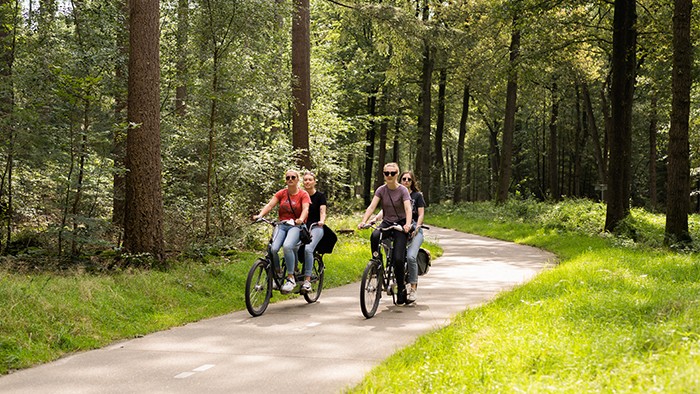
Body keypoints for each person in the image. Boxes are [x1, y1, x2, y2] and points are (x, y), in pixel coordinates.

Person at [358, 162, 413, 305]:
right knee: (375, 235)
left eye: (393, 173)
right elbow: (371, 206)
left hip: (400, 224)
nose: (389, 176)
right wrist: (364, 221)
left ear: (397, 174)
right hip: (387, 221)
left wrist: (407, 224)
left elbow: (407, 208)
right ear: (383, 174)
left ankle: (401, 289)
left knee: (399, 259)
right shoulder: (381, 190)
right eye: (386, 173)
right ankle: (377, 264)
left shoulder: (403, 191)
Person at [370, 170, 425, 304]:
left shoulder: (417, 196)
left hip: (412, 227)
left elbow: (421, 214)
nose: (406, 181)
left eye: (409, 180)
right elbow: (385, 211)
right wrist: (375, 219)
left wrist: (416, 228)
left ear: (413, 182)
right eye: (404, 179)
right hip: (394, 225)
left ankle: (412, 287)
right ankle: (381, 271)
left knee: (410, 257)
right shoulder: (394, 192)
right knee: (388, 251)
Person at [253, 170, 310, 294]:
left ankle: (290, 278)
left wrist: (300, 219)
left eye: (293, 177)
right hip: (282, 225)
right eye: (288, 177)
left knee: (288, 246)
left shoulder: (303, 194)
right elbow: (270, 205)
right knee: (273, 249)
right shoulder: (281, 193)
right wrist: (260, 215)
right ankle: (277, 274)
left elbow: (306, 208)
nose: (290, 179)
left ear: (297, 179)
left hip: (296, 226)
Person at [300, 171, 327, 293]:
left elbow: (322, 211)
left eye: (310, 179)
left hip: (316, 226)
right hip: (302, 226)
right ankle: (293, 273)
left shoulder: (320, 196)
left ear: (314, 182)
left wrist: (322, 221)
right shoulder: (300, 195)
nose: (307, 182)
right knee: (290, 246)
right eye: (305, 180)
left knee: (308, 249)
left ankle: (307, 280)